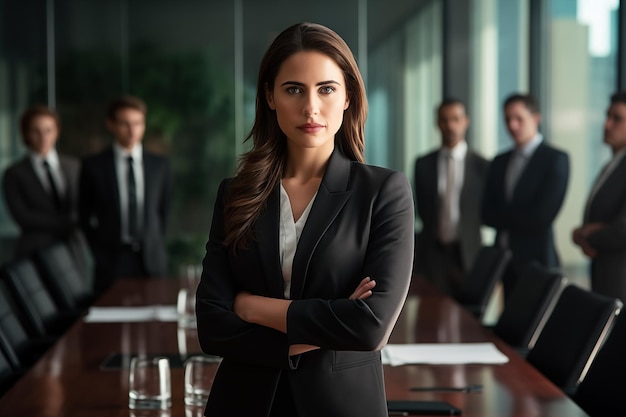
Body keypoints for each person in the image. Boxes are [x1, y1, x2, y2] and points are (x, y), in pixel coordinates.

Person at [195, 22, 414, 417]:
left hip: (343, 405)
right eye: (293, 89)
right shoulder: (235, 193)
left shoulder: (383, 192)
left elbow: (369, 327)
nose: (310, 107)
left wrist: (253, 308)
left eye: (326, 89)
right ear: (270, 96)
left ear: (348, 96)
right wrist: (331, 319)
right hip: (243, 403)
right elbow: (212, 327)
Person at [78, 95, 172, 294]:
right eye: (125, 124)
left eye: (138, 123)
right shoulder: (94, 166)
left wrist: (154, 240)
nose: (132, 130)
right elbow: (84, 216)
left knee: (155, 321)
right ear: (111, 125)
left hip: (151, 259)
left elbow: (164, 211)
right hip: (112, 260)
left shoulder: (159, 166)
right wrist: (99, 251)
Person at [482, 93, 569, 303]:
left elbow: (542, 216)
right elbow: (485, 214)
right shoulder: (499, 161)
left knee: (534, 328)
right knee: (508, 328)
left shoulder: (555, 159)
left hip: (536, 261)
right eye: (507, 119)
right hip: (503, 261)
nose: (512, 125)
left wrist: (503, 216)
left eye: (518, 118)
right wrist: (517, 215)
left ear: (536, 118)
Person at [413, 98, 489, 297]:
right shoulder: (423, 164)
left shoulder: (483, 166)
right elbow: (423, 210)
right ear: (437, 123)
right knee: (432, 317)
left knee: (469, 319)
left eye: (456, 119)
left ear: (466, 121)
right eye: (444, 120)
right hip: (433, 254)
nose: (450, 126)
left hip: (469, 254)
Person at [2, 105, 80, 259]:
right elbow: (23, 216)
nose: (43, 137)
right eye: (36, 131)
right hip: (34, 251)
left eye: (48, 130)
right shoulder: (14, 173)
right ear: (26, 133)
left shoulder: (74, 167)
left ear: (57, 132)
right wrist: (68, 223)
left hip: (73, 249)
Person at [572, 92, 626, 302]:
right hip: (604, 273)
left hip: (619, 278)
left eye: (617, 118)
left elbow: (622, 229)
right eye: (607, 116)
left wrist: (587, 235)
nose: (607, 124)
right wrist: (584, 232)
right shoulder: (612, 164)